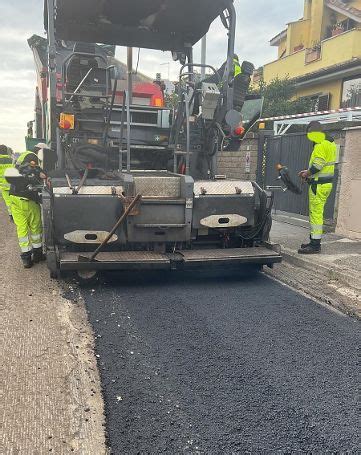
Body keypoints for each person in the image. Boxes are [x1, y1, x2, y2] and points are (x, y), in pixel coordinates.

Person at [298, 121, 337, 254]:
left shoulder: (320, 144)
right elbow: (325, 165)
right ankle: (313, 241)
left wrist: (306, 173)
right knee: (317, 213)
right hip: (326, 183)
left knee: (316, 215)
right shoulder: (331, 143)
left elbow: (318, 166)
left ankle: (315, 245)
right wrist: (308, 171)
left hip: (318, 185)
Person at [8, 145, 46, 268]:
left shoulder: (23, 156)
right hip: (27, 199)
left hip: (15, 198)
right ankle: (38, 255)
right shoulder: (31, 156)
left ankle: (26, 259)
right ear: (40, 151)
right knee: (35, 228)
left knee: (22, 229)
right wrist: (41, 175)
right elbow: (29, 171)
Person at [0, 144, 14, 220]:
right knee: (14, 199)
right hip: (12, 183)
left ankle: (11, 215)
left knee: (8, 201)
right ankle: (15, 213)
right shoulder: (11, 159)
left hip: (3, 185)